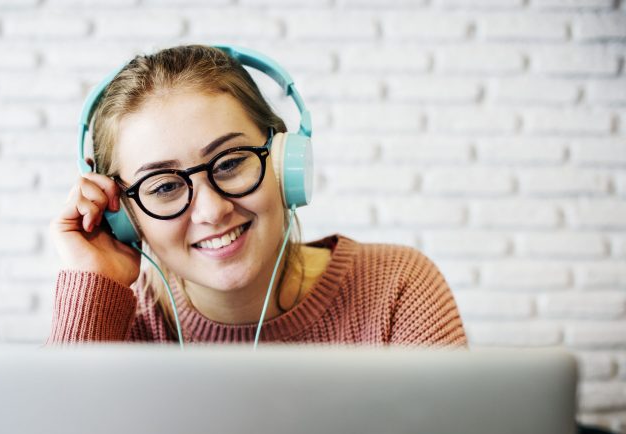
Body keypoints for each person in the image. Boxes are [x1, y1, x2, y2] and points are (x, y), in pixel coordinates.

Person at [46, 45, 466, 347]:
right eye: (165, 186)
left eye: (230, 162)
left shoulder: (396, 288)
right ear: (124, 215)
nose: (211, 210)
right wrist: (92, 286)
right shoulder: (114, 331)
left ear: (284, 163)